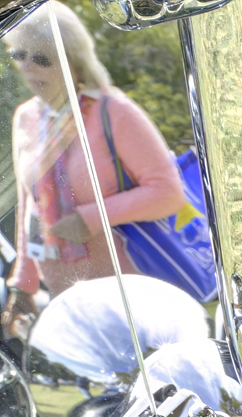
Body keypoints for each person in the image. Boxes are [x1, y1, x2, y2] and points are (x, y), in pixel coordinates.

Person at [1, 2, 183, 336]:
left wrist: (90, 218)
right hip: (68, 299)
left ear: (73, 59)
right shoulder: (26, 117)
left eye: (40, 57)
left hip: (136, 294)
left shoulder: (112, 111)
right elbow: (31, 205)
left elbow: (168, 193)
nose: (27, 66)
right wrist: (22, 284)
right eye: (18, 55)